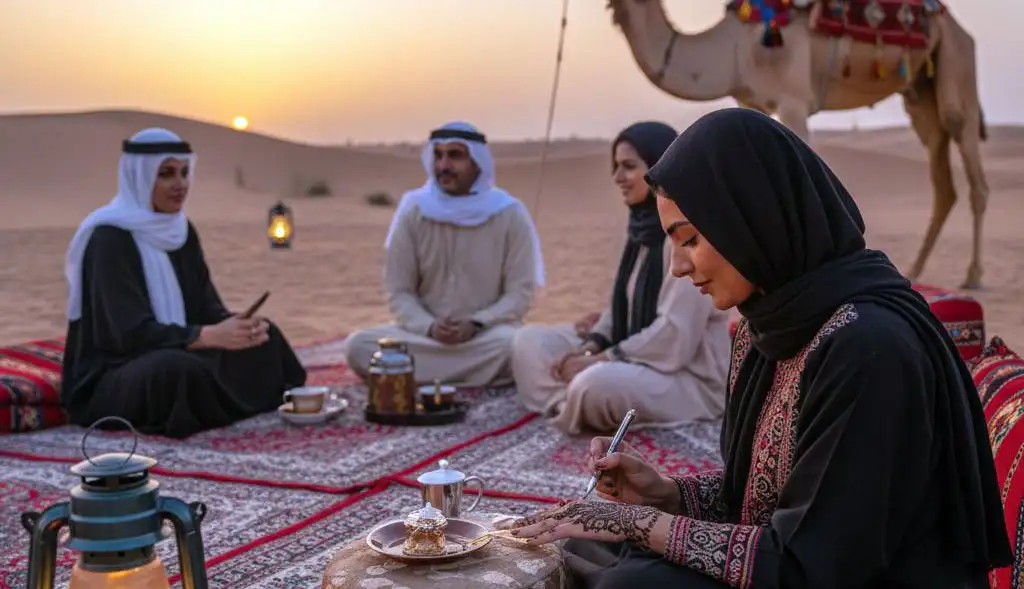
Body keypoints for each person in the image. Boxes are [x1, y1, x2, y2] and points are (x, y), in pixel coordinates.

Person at [507, 108, 1011, 589]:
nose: (679, 268)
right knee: (591, 552)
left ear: (752, 218)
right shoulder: (766, 325)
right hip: (796, 565)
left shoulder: (867, 347)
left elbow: (810, 562)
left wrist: (642, 524)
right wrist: (664, 493)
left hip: (857, 580)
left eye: (691, 239)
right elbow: (756, 502)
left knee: (631, 580)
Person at [60, 128, 307, 439]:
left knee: (265, 337)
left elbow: (205, 306)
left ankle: (219, 405)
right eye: (166, 174)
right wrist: (205, 336)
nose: (180, 185)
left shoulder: (181, 231)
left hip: (182, 345)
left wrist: (236, 327)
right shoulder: (109, 237)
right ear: (140, 178)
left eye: (185, 173)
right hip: (117, 370)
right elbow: (127, 334)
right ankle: (215, 406)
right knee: (174, 370)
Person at [510, 121, 729, 434]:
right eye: (615, 167)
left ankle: (577, 401)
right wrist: (588, 348)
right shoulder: (639, 233)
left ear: (658, 168)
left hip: (686, 379)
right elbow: (618, 310)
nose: (617, 178)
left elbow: (673, 337)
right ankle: (572, 404)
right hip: (635, 359)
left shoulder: (688, 234)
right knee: (527, 342)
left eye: (628, 166)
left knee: (594, 383)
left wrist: (600, 359)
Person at [343, 122, 545, 386]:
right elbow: (399, 292)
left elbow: (520, 294)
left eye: (455, 156)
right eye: (438, 155)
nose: (444, 165)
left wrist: (476, 323)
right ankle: (473, 376)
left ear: (477, 161)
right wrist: (429, 326)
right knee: (358, 346)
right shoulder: (414, 209)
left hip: (486, 337)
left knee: (519, 346)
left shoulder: (508, 213)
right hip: (424, 339)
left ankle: (423, 375)